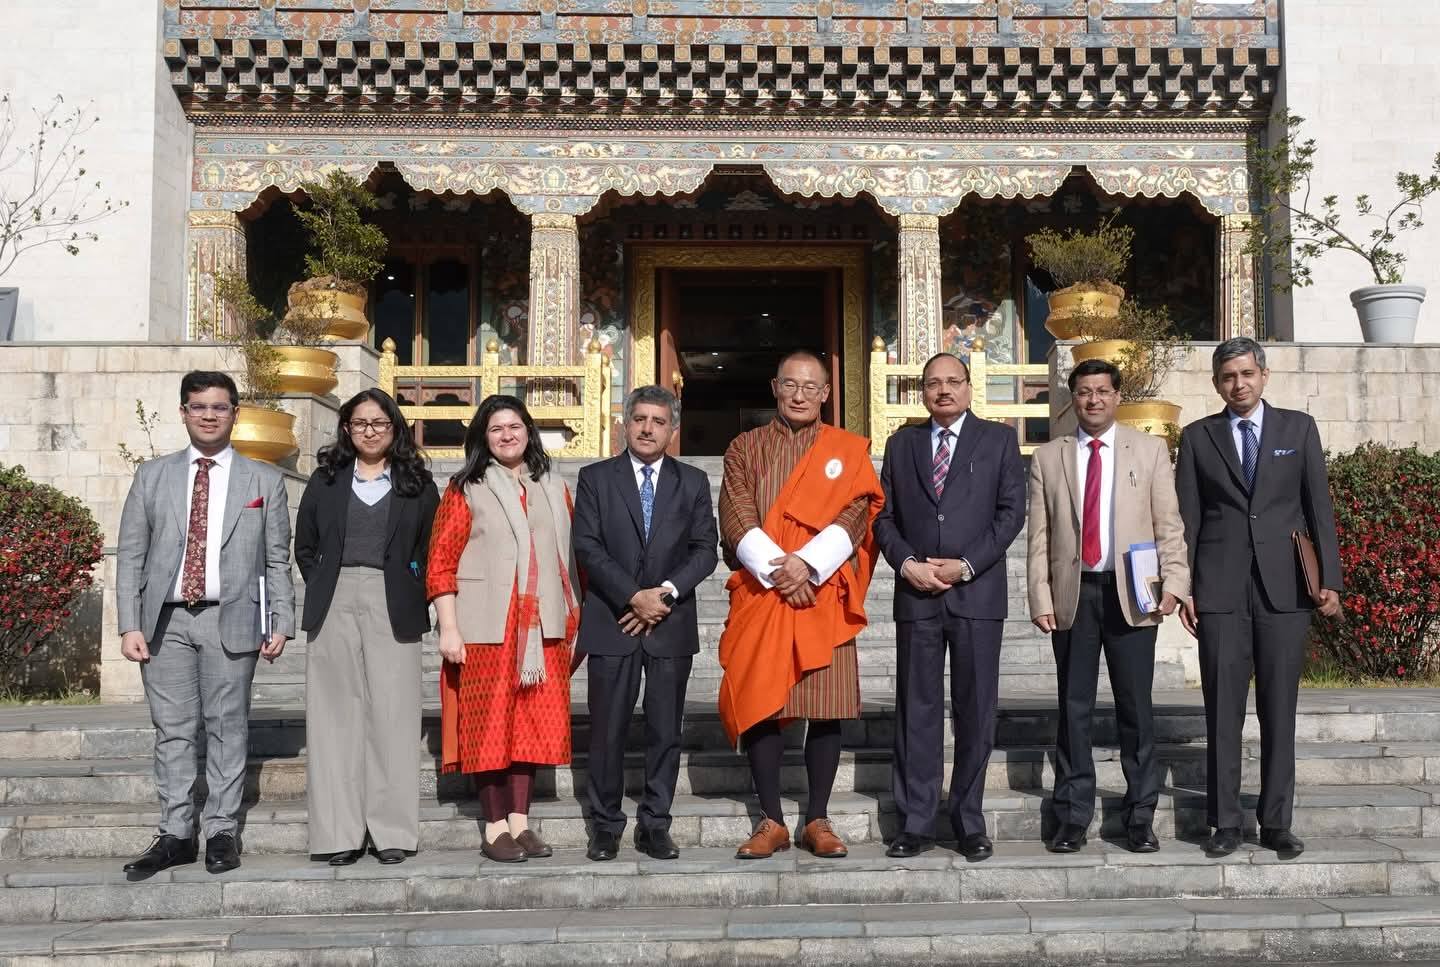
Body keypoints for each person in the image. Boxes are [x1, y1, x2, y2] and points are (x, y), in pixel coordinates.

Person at [116, 371, 295, 875]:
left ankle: (221, 831)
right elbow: (131, 554)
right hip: (165, 623)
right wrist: (130, 623)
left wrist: (279, 617)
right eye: (200, 407)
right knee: (172, 731)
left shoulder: (264, 480)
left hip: (231, 619)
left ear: (235, 413)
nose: (210, 415)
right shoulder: (152, 475)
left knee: (226, 728)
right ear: (183, 413)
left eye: (220, 406)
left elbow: (276, 558)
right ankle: (175, 832)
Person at [1176, 337, 1343, 859]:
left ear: (1264, 375)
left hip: (1286, 591)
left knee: (1279, 709)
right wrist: (1183, 588)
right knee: (1222, 710)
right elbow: (1188, 521)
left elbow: (1319, 508)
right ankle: (1224, 823)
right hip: (1219, 590)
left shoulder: (1298, 429)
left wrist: (1330, 581)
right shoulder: (1198, 438)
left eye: (1247, 374)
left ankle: (1276, 823)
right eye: (1228, 377)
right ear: (1216, 383)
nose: (1238, 384)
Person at [717, 350, 884, 860]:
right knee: (762, 703)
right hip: (765, 591)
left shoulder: (847, 450)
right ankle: (770, 820)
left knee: (824, 707)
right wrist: (777, 570)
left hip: (820, 593)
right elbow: (735, 512)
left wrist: (807, 565)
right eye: (790, 384)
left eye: (811, 386)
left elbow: (859, 511)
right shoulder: (744, 447)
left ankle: (817, 817)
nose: (800, 394)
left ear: (827, 393)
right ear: (774, 387)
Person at [1027, 358, 1190, 855]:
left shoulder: (1149, 450)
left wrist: (1176, 582)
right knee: (1073, 709)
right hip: (1075, 593)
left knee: (1135, 709)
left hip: (1133, 594)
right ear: (1071, 399)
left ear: (1117, 397)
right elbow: (1039, 536)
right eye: (1083, 392)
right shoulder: (1049, 457)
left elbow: (1169, 525)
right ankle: (1073, 815)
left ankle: (1140, 816)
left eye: (1101, 391)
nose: (1093, 400)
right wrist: (1040, 594)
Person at [872, 351, 1025, 861]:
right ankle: (915, 821)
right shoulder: (902, 445)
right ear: (922, 392)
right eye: (933, 383)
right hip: (917, 592)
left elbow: (1010, 514)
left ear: (968, 386)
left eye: (952, 382)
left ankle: (968, 820)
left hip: (976, 594)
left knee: (975, 709)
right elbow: (884, 517)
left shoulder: (999, 440)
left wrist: (965, 565)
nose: (944, 391)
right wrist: (906, 562)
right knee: (916, 709)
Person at [426, 394, 581, 864]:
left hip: (541, 629)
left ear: (529, 432)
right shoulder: (465, 488)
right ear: (482, 437)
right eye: (496, 429)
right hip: (487, 628)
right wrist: (449, 628)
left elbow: (570, 559)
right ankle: (494, 827)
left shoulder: (553, 487)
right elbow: (440, 563)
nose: (507, 435)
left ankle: (521, 822)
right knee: (489, 728)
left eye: (515, 426)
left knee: (529, 729)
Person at [572, 385, 719, 862]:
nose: (647, 428)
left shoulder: (693, 482)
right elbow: (587, 546)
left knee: (664, 730)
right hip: (612, 620)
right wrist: (632, 596)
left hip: (670, 623)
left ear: (672, 430)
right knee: (607, 729)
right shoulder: (596, 478)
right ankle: (605, 824)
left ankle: (655, 822)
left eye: (658, 421)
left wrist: (664, 594)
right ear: (625, 423)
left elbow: (705, 550)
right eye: (639, 419)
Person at [294, 389, 440, 866]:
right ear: (346, 429)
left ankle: (391, 830)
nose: (370, 431)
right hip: (334, 597)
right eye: (360, 424)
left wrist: (413, 585)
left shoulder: (417, 482)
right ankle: (338, 834)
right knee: (335, 717)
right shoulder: (326, 479)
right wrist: (321, 584)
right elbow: (306, 544)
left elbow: (431, 545)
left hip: (393, 598)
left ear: (394, 428)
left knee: (394, 716)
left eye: (379, 423)